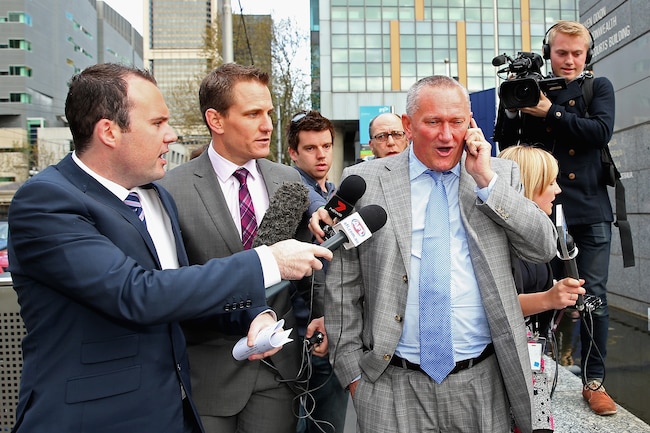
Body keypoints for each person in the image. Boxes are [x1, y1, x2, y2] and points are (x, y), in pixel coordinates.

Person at [7, 63, 331, 433]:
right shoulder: (46, 202)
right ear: (109, 131)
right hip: (91, 418)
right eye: (158, 123)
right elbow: (135, 293)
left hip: (173, 410)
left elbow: (180, 292)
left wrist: (250, 315)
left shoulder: (154, 196)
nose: (171, 135)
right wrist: (266, 262)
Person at [312, 75, 557, 433]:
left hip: (482, 382)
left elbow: (542, 248)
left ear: (471, 123)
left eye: (457, 122)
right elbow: (343, 286)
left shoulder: (499, 174)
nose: (447, 135)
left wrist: (486, 181)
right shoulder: (365, 180)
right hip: (389, 383)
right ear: (408, 126)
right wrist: (353, 374)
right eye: (433, 122)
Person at [160, 63, 320, 433]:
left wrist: (321, 314)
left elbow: (307, 262)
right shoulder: (171, 190)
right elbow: (169, 285)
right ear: (216, 119)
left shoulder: (287, 179)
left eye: (269, 113)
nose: (268, 125)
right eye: (253, 114)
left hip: (279, 373)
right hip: (208, 373)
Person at [493, 20, 617, 416]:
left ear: (587, 55)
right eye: (561, 52)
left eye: (576, 53)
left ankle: (593, 381)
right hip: (539, 208)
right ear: (549, 53)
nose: (568, 60)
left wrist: (552, 112)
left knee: (592, 295)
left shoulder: (599, 88)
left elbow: (599, 132)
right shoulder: (529, 88)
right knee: (539, 292)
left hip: (588, 209)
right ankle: (530, 371)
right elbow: (505, 141)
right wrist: (513, 108)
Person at [499, 145, 587, 433]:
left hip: (532, 361)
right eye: (550, 182)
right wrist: (549, 297)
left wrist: (556, 291)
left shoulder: (535, 238)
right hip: (507, 369)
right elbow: (497, 305)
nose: (558, 190)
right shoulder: (499, 240)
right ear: (527, 186)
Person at [286, 110, 349, 433]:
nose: (321, 154)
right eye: (310, 148)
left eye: (326, 145)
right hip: (307, 329)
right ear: (293, 153)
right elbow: (304, 195)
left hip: (338, 325)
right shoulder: (290, 189)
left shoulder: (336, 192)